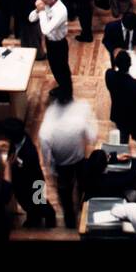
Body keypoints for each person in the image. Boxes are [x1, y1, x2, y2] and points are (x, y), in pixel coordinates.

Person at [37, 89, 96, 229]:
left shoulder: (48, 122)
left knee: (65, 195)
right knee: (83, 185)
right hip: (80, 159)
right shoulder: (81, 111)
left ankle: (70, 222)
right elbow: (92, 136)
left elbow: (46, 153)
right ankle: (84, 207)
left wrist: (51, 169)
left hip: (61, 165)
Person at [29, 0, 72, 97]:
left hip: (59, 44)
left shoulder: (61, 11)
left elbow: (45, 30)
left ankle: (67, 93)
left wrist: (42, 11)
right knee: (54, 68)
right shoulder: (46, 4)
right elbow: (31, 19)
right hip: (50, 43)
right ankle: (61, 87)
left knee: (63, 70)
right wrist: (38, 10)